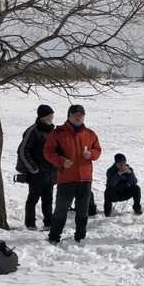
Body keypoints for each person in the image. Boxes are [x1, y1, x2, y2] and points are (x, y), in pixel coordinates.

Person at [43, 104, 101, 244]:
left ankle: (80, 236)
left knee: (83, 210)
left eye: (81, 116)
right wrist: (61, 161)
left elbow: (97, 150)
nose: (79, 118)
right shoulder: (58, 133)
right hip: (66, 178)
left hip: (85, 178)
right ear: (69, 116)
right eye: (76, 116)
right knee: (61, 209)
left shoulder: (90, 134)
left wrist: (91, 154)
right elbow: (48, 152)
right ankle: (54, 236)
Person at [16, 104, 57, 230]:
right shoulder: (33, 131)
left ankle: (48, 223)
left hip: (50, 173)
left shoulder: (52, 132)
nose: (52, 118)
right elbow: (22, 150)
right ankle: (30, 224)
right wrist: (32, 168)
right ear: (44, 117)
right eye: (51, 116)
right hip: (37, 173)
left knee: (48, 200)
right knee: (32, 200)